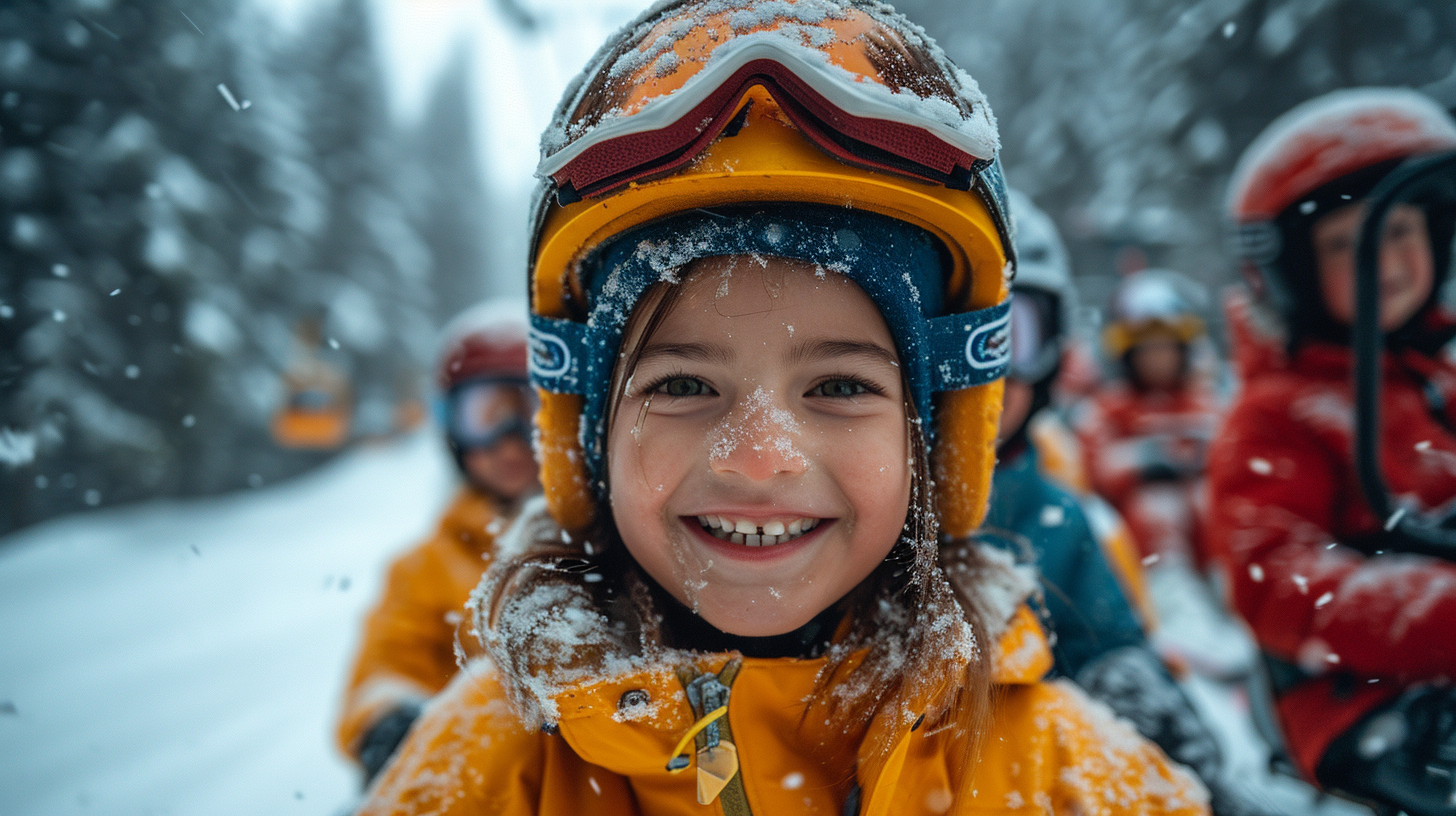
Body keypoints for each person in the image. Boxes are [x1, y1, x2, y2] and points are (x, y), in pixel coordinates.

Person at [357, 2, 1209, 814]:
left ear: (932, 438)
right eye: (682, 386)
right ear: (591, 432)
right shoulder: (484, 765)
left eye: (839, 387)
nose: (760, 456)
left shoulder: (1058, 775)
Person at [1213, 87, 1456, 815]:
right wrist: (1438, 615)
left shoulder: (1437, 382)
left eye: (1401, 231)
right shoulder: (1274, 416)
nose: (1384, 260)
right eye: (1348, 243)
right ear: (1292, 271)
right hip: (1357, 710)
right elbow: (1278, 580)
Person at [988, 192, 1262, 816]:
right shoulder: (868, 503)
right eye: (949, 326)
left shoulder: (1052, 517)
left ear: (1051, 351)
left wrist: (1155, 712)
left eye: (1009, 336)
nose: (983, 369)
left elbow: (1106, 636)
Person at [335, 298, 539, 785]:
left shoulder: (613, 541)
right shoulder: (423, 568)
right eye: (486, 415)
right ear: (451, 428)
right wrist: (388, 721)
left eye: (531, 411)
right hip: (482, 780)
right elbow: (389, 662)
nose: (510, 441)